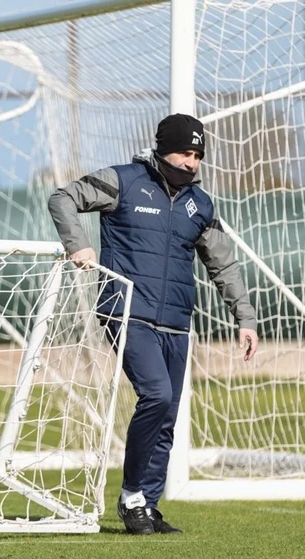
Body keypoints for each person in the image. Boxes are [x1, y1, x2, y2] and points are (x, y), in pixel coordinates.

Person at [48, 113, 259, 535]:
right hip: (125, 311)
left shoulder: (201, 205)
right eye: (185, 152)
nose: (192, 162)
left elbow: (224, 264)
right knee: (157, 395)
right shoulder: (123, 181)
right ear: (163, 149)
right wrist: (79, 245)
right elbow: (62, 198)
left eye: (198, 155)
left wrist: (246, 318)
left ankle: (147, 504)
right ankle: (131, 497)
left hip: (178, 323)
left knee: (167, 415)